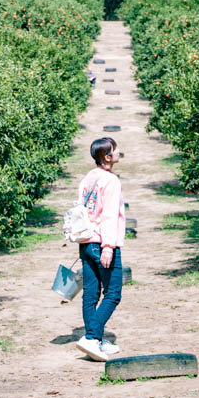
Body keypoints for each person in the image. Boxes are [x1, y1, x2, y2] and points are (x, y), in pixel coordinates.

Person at [74, 137, 126, 361]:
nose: (118, 153)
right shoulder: (110, 181)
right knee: (113, 293)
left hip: (86, 242)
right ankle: (92, 338)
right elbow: (109, 215)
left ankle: (95, 340)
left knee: (91, 294)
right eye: (116, 150)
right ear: (107, 156)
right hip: (102, 242)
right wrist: (108, 246)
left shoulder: (88, 179)